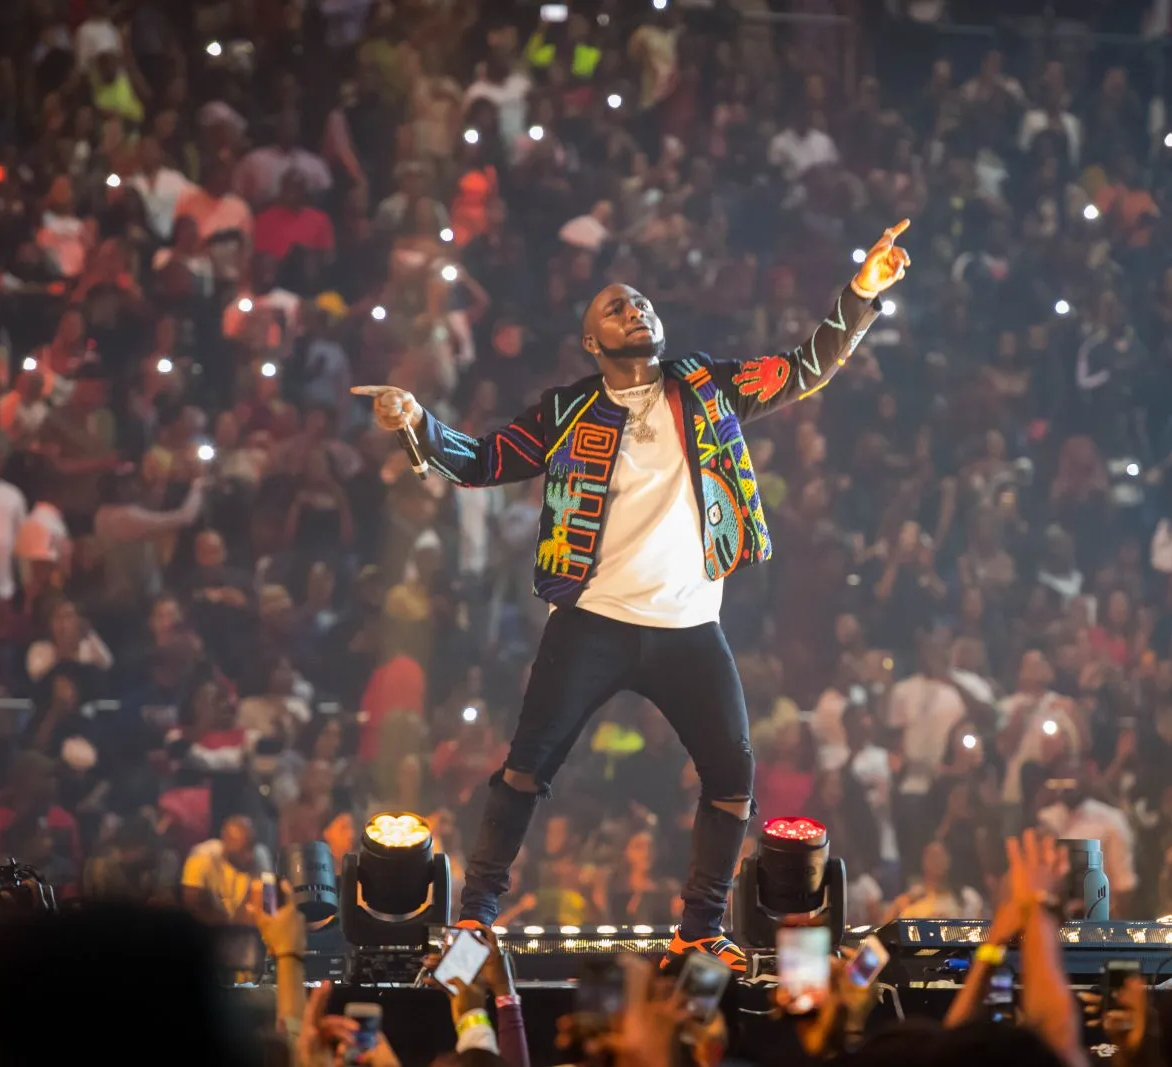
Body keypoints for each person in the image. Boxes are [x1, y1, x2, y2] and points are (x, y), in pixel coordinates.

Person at [354, 221, 911, 971]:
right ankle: (477, 920)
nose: (634, 310)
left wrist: (862, 290)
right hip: (593, 620)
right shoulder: (567, 410)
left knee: (732, 779)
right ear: (591, 342)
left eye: (640, 302)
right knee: (525, 768)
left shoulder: (705, 384)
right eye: (615, 308)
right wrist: (416, 421)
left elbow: (804, 367)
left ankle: (699, 927)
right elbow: (484, 461)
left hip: (688, 625)